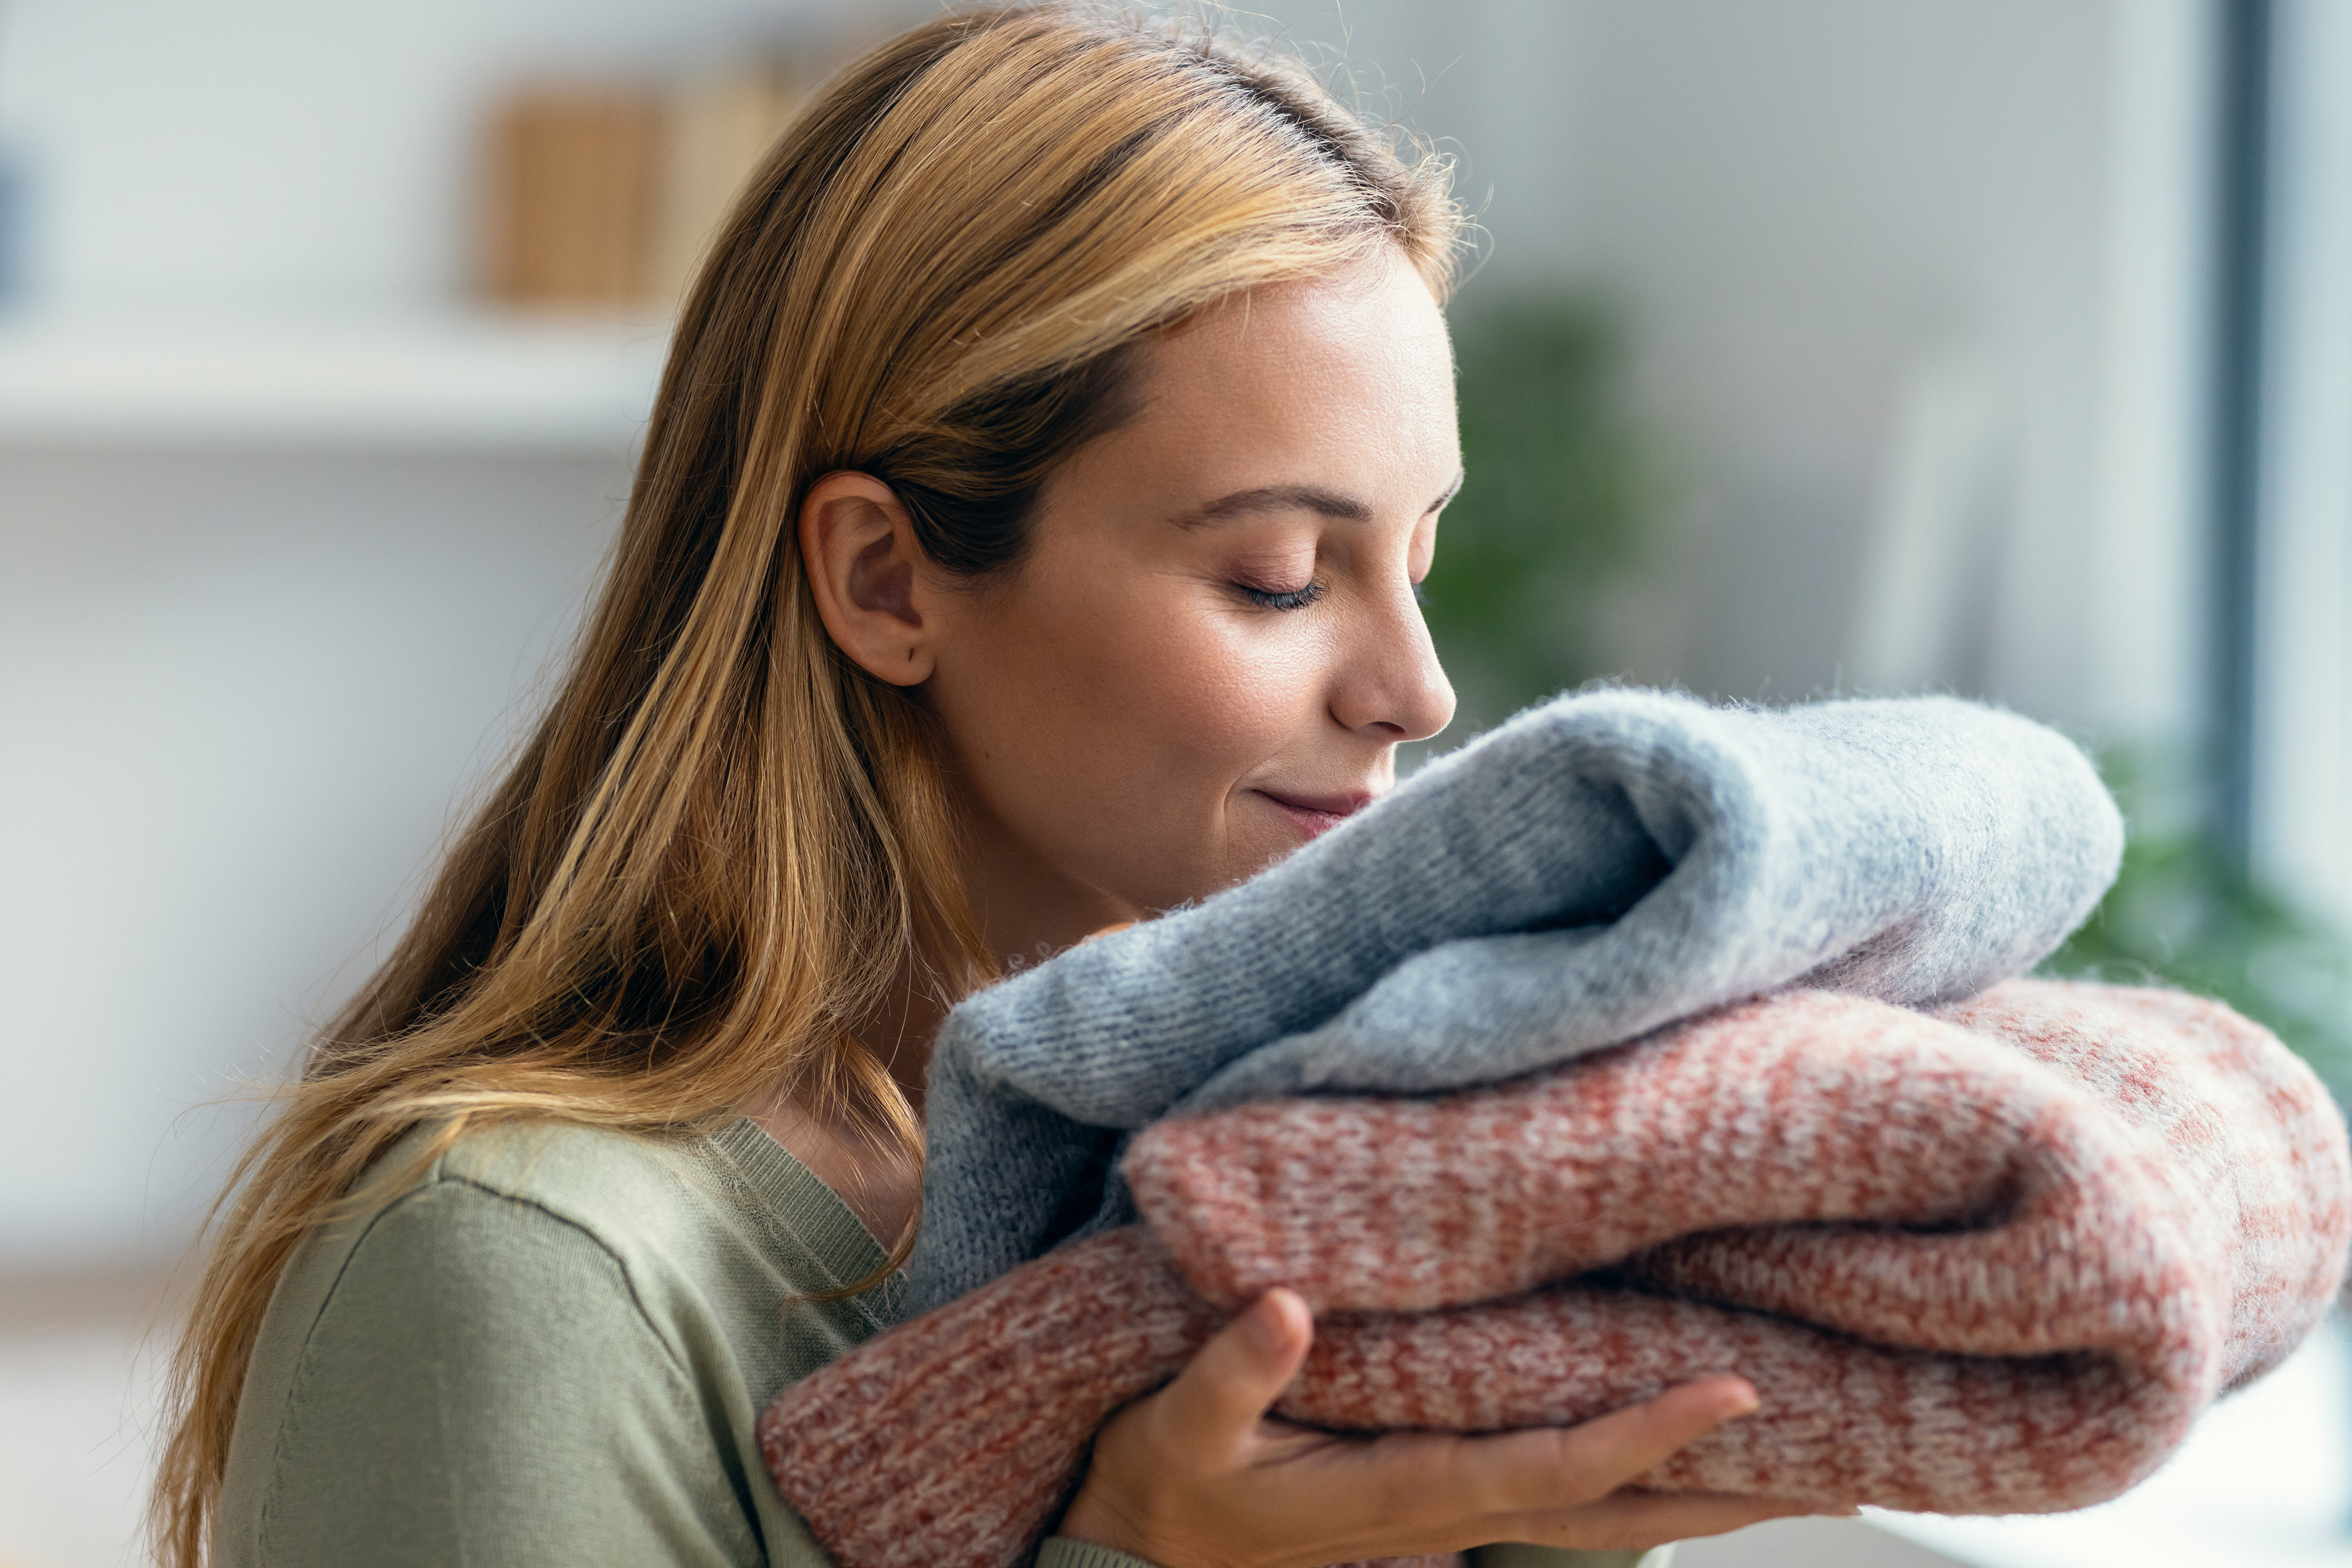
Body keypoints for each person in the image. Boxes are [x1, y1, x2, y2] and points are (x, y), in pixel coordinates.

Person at [153, 8, 1845, 1565]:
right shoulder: (511, 1272)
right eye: (1273, 573)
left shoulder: (1273, 1193)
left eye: (1416, 556)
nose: (1418, 688)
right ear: (888, 580)